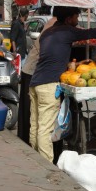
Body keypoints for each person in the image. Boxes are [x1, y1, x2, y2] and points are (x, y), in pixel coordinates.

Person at [29, 6, 96, 163]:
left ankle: (35, 162)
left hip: (35, 83)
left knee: (35, 127)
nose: (77, 20)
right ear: (68, 19)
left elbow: (53, 57)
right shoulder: (67, 30)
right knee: (45, 129)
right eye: (76, 17)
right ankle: (46, 167)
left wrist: (75, 63)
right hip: (49, 84)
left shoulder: (47, 33)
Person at [17, 10, 57, 146]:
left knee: (36, 119)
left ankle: (32, 145)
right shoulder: (53, 23)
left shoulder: (58, 24)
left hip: (38, 73)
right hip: (32, 72)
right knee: (34, 118)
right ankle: (30, 145)